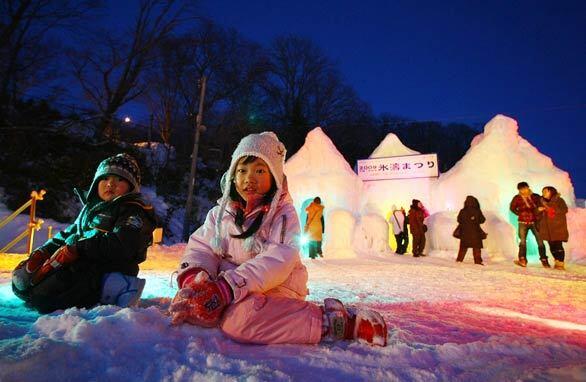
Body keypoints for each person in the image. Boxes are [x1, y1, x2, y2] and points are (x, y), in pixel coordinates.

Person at [169, 132, 387, 346]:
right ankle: (220, 299)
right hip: (234, 287)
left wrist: (227, 288)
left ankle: (333, 323)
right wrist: (197, 281)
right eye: (242, 170)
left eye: (260, 170)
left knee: (239, 320)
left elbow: (278, 259)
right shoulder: (219, 214)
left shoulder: (283, 215)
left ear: (274, 177)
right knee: (196, 305)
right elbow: (202, 247)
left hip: (277, 286)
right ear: (232, 176)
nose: (249, 178)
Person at [12, 154, 157, 313]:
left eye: (120, 179)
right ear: (96, 182)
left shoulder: (134, 211)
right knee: (23, 283)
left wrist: (79, 247)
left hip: (109, 269)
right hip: (81, 261)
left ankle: (119, 290)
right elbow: (70, 233)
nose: (110, 183)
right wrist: (45, 251)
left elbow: (122, 245)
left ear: (131, 187)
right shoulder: (91, 209)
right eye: (105, 178)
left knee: (44, 297)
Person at [510, 181, 548, 268]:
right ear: (519, 190)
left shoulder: (535, 196)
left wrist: (539, 211)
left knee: (540, 241)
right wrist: (519, 213)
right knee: (522, 241)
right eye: (521, 189)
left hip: (535, 222)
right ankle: (522, 259)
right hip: (522, 222)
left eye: (524, 188)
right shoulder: (517, 198)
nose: (523, 190)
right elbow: (512, 207)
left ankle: (544, 260)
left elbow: (541, 204)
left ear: (528, 187)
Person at [538, 186, 569, 270]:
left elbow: (564, 210)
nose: (543, 193)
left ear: (551, 192)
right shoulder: (541, 201)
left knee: (558, 245)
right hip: (546, 227)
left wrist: (552, 209)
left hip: (557, 226)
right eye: (543, 191)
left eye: (545, 191)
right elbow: (536, 212)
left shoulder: (559, 200)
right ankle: (556, 260)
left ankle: (560, 263)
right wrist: (539, 210)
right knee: (551, 245)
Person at [455, 196, 486, 265]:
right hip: (475, 232)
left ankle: (459, 260)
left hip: (464, 232)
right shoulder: (477, 211)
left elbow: (458, 220)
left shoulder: (462, 211)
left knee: (463, 247)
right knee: (476, 248)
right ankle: (478, 261)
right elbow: (482, 220)